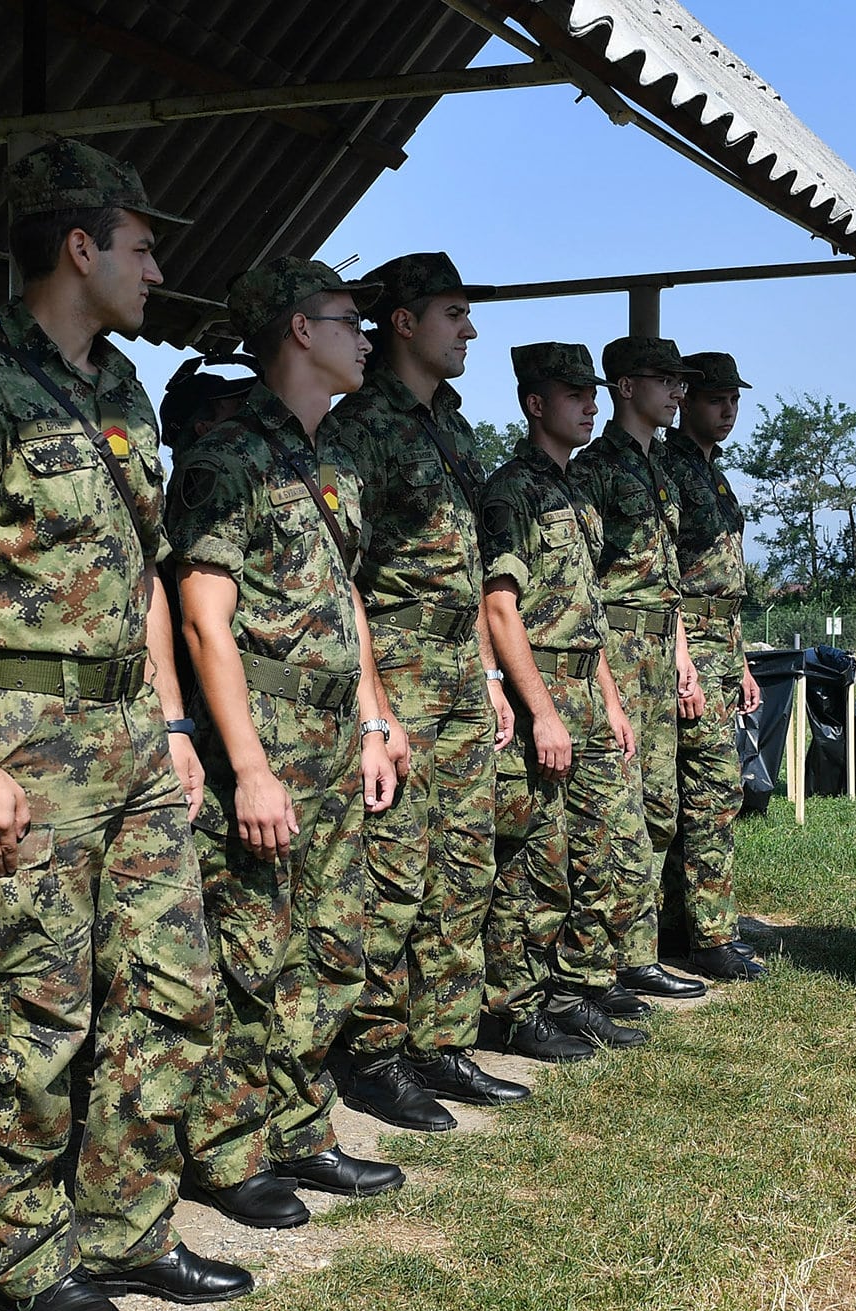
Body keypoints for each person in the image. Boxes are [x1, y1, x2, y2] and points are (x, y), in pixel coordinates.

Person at [0, 139, 254, 1311]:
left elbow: (145, 567)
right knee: (35, 1012)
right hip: (25, 736)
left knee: (173, 987)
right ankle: (29, 1251)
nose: (158, 269)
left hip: (131, 734)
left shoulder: (125, 393)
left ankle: (127, 1227)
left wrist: (167, 715)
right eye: (143, 246)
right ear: (80, 247)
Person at [167, 256, 405, 1211]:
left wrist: (373, 715)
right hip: (262, 728)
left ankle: (302, 1126)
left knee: (332, 939)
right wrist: (250, 767)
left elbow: (345, 595)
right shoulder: (229, 459)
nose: (367, 337)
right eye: (353, 320)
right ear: (300, 330)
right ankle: (230, 1151)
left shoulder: (325, 455)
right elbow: (200, 616)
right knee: (251, 947)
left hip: (328, 727)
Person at [325, 252, 528, 1131]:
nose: (470, 330)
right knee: (395, 869)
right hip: (398, 662)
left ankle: (440, 1038)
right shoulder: (359, 429)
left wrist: (488, 669)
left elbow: (474, 564)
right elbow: (345, 576)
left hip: (455, 664)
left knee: (464, 861)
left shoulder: (453, 423)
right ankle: (373, 1050)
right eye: (453, 313)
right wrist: (373, 702)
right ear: (402, 321)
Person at [477, 343, 645, 1060]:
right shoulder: (512, 489)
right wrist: (541, 710)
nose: (591, 404)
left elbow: (588, 610)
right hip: (540, 688)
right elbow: (499, 607)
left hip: (583, 681)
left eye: (593, 393)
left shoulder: (576, 490)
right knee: (535, 861)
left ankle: (574, 988)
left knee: (605, 851)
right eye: (574, 394)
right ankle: (517, 1007)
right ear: (535, 404)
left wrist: (607, 697)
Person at [571, 336, 708, 1003]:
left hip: (658, 649)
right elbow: (582, 585)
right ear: (626, 387)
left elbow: (668, 579)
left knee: (656, 807)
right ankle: (600, 958)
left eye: (681, 381)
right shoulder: (594, 469)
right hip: (616, 651)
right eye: (664, 379)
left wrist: (681, 654)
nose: (677, 391)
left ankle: (638, 949)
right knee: (615, 809)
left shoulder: (659, 469)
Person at [659, 351, 765, 983]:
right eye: (715, 399)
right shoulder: (669, 469)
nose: (727, 411)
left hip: (719, 643)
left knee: (706, 790)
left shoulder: (711, 473)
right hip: (685, 645)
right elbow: (662, 577)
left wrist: (743, 661)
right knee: (709, 791)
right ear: (687, 402)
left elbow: (724, 581)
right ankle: (708, 932)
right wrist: (684, 660)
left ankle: (688, 922)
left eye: (734, 400)